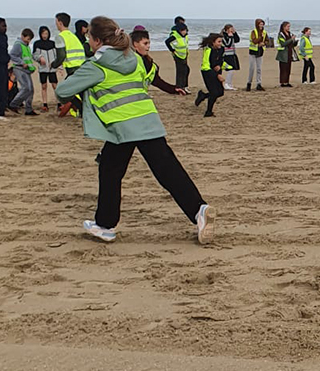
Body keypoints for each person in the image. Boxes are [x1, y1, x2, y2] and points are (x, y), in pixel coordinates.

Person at [55, 16, 215, 245]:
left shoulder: (96, 65)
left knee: (110, 172)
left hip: (122, 127)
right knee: (167, 171)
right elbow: (142, 84)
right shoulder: (135, 58)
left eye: (89, 37)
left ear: (97, 40)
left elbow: (62, 92)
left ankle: (106, 225)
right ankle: (199, 209)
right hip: (148, 120)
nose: (88, 41)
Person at [129, 26, 188, 96]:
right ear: (135, 44)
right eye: (145, 43)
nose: (148, 46)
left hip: (138, 97)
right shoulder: (127, 61)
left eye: (149, 43)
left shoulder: (148, 62)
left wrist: (173, 89)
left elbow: (156, 81)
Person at [8, 28, 38, 116]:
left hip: (26, 70)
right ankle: (13, 104)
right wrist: (21, 62)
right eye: (28, 39)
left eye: (30, 39)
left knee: (31, 89)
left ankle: (28, 109)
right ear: (22, 36)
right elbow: (12, 55)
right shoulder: (18, 45)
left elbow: (28, 57)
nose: (28, 41)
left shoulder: (26, 45)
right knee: (26, 88)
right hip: (19, 69)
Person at [194, 33, 226, 117]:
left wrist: (220, 66)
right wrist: (217, 75)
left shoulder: (221, 49)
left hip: (216, 72)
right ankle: (208, 112)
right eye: (218, 41)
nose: (220, 43)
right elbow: (206, 66)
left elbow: (221, 60)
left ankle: (203, 95)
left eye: (221, 41)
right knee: (214, 93)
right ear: (213, 42)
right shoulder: (208, 50)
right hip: (207, 72)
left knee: (220, 92)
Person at [32, 25, 58, 112]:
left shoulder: (52, 43)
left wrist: (58, 65)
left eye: (46, 33)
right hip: (43, 68)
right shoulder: (37, 44)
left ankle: (59, 103)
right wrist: (40, 58)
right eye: (43, 33)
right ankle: (45, 104)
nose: (44, 35)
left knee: (55, 85)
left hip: (52, 68)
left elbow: (56, 56)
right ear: (40, 34)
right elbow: (34, 55)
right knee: (44, 86)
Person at [164, 23, 191, 89]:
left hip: (184, 55)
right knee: (180, 72)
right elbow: (167, 42)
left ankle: (184, 86)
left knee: (186, 70)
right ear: (179, 30)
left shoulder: (185, 36)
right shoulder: (175, 36)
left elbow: (185, 44)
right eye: (183, 30)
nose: (184, 32)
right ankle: (179, 87)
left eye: (185, 30)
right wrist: (172, 50)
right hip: (178, 56)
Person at [247, 18, 268, 91]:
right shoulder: (253, 31)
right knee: (251, 68)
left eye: (262, 24)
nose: (261, 25)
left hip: (260, 52)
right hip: (253, 51)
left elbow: (267, 41)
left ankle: (259, 84)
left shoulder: (265, 32)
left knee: (259, 69)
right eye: (260, 24)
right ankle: (249, 83)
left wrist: (264, 43)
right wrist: (260, 38)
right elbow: (254, 40)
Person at [275, 21, 297, 88]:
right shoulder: (281, 34)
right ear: (284, 27)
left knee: (288, 68)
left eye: (289, 26)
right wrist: (291, 39)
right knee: (283, 68)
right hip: (283, 54)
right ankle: (282, 82)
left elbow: (291, 44)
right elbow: (283, 43)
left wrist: (295, 41)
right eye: (288, 26)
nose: (289, 28)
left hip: (289, 53)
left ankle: (287, 82)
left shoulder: (290, 34)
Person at [220, 24, 240, 90]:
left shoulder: (232, 35)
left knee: (233, 69)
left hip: (232, 54)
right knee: (230, 69)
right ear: (226, 30)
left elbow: (237, 40)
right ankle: (226, 83)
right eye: (230, 29)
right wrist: (230, 37)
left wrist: (235, 33)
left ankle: (229, 83)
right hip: (226, 55)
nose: (231, 30)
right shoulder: (223, 36)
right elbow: (228, 44)